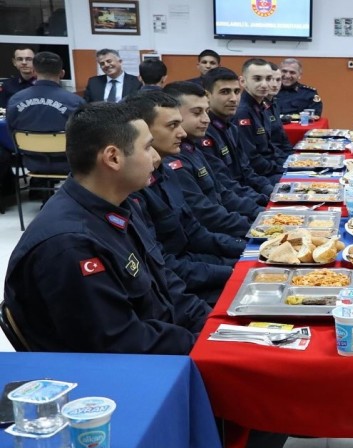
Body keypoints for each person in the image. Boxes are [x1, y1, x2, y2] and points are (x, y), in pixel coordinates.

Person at [3, 102, 211, 354]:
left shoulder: (120, 204)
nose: (156, 158)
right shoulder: (70, 245)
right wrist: (202, 344)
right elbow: (122, 343)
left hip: (162, 341)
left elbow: (165, 284)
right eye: (148, 147)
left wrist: (210, 323)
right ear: (113, 157)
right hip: (132, 366)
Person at [124, 90, 246, 304]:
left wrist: (247, 249)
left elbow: (195, 233)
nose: (181, 133)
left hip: (193, 268)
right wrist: (232, 272)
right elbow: (164, 266)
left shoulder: (167, 170)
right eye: (172, 126)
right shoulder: (133, 188)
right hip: (181, 286)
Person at [162, 81, 259, 238]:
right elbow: (205, 214)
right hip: (214, 235)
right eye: (197, 113)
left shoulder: (193, 149)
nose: (206, 119)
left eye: (206, 111)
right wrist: (255, 227)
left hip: (226, 227)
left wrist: (260, 213)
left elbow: (223, 193)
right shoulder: (172, 161)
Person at [6, 51, 85, 174]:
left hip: (31, 162)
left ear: (34, 72)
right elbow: (85, 135)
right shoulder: (75, 102)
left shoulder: (15, 100)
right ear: (62, 73)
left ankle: (37, 184)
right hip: (68, 162)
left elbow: (10, 131)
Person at [201, 67, 274, 199]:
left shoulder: (231, 128)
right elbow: (224, 184)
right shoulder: (203, 132)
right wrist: (262, 200)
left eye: (236, 91)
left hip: (247, 193)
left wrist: (271, 191)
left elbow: (246, 171)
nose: (234, 99)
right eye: (225, 92)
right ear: (207, 96)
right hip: (234, 201)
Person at [234, 58, 286, 183]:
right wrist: (283, 169)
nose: (264, 84)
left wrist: (288, 163)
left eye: (268, 79)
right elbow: (252, 159)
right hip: (258, 178)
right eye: (257, 79)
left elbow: (270, 148)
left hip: (270, 168)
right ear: (243, 81)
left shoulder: (262, 106)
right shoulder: (242, 112)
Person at [265, 62, 294, 156]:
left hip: (279, 155)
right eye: (270, 79)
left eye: (278, 80)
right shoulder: (257, 107)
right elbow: (266, 146)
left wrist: (292, 156)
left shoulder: (274, 103)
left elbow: (283, 138)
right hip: (271, 158)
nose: (275, 85)